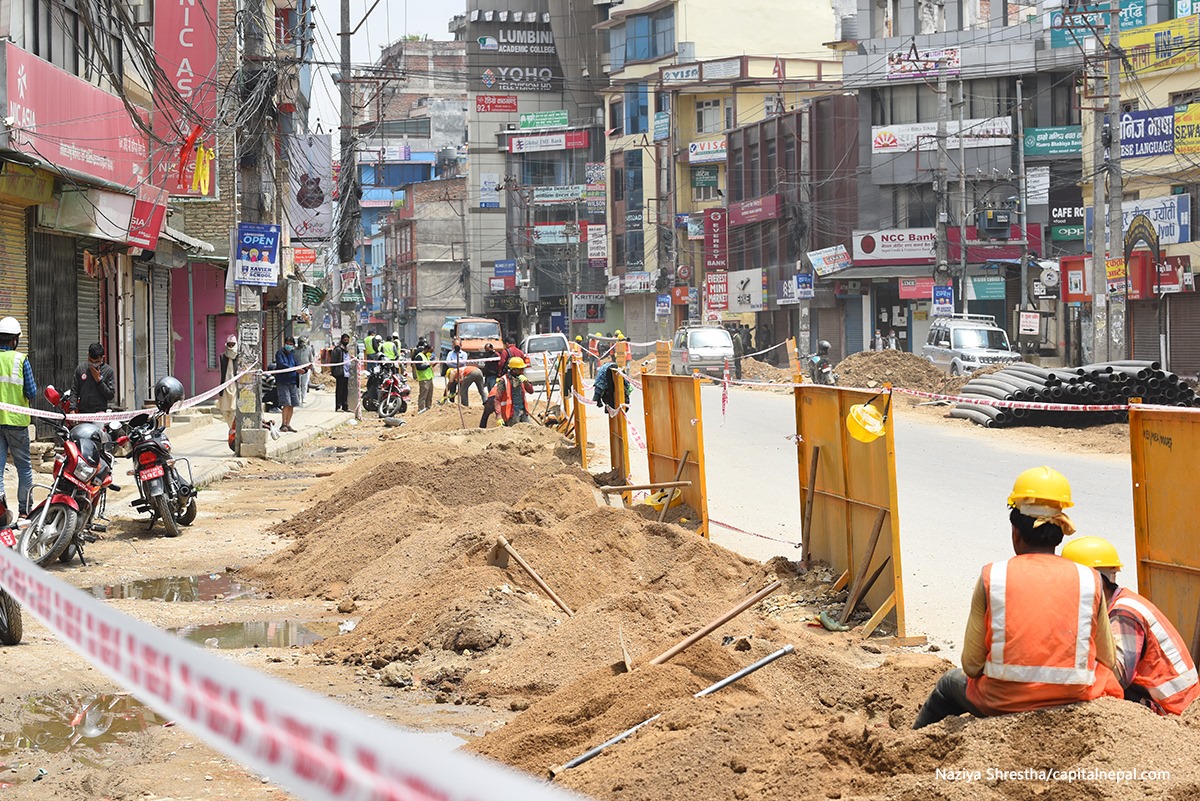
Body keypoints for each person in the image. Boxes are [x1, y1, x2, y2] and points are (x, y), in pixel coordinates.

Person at [913, 467, 1123, 729]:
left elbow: (971, 665)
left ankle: (912, 741)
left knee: (947, 684)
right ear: (1059, 533)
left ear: (1015, 531)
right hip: (1073, 698)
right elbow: (1108, 659)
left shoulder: (993, 576)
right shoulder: (1089, 578)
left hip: (1000, 702)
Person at [1062, 537, 1200, 716]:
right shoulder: (1117, 603)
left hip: (1171, 710)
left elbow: (1117, 677)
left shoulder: (1123, 614)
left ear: (1096, 582)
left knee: (1098, 693)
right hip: (1170, 702)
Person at [0, 316, 36, 516]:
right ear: (15, 340)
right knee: (24, 468)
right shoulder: (21, 360)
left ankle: (1, 514)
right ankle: (24, 512)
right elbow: (31, 392)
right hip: (16, 423)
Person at [72, 342, 115, 414]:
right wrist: (72, 408)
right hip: (84, 411)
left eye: (97, 361)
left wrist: (99, 381)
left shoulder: (108, 371)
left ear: (102, 358)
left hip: (100, 412)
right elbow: (74, 390)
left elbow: (110, 395)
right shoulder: (81, 369)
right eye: (91, 361)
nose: (93, 363)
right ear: (88, 355)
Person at [274, 336, 303, 431]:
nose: (289, 346)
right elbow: (282, 365)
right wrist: (294, 369)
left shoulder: (293, 354)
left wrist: (304, 369)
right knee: (286, 403)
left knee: (292, 404)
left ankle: (288, 424)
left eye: (291, 344)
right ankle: (283, 424)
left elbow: (298, 365)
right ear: (284, 344)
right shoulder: (279, 353)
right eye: (288, 344)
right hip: (283, 382)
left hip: (293, 382)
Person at [494, 357, 534, 425]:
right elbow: (497, 399)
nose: (522, 371)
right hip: (511, 413)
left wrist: (526, 382)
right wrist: (499, 416)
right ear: (513, 370)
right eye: (520, 369)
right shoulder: (504, 380)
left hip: (523, 411)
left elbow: (531, 391)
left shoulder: (522, 378)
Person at [218, 335, 239, 424]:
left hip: (235, 386)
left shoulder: (239, 356)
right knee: (224, 410)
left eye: (233, 345)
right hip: (225, 385)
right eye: (229, 345)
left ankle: (234, 431)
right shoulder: (222, 356)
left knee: (234, 410)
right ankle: (231, 428)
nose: (231, 347)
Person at [332, 333, 353, 412]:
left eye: (347, 340)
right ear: (342, 340)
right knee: (339, 390)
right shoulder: (338, 349)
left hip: (346, 373)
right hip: (340, 372)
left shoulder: (346, 349)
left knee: (345, 390)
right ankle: (338, 406)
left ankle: (345, 406)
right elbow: (333, 362)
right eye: (345, 339)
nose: (346, 341)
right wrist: (334, 371)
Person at [413, 340, 434, 412]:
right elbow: (419, 367)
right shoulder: (419, 356)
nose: (430, 353)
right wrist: (428, 365)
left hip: (429, 378)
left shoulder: (426, 356)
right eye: (430, 351)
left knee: (429, 395)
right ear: (426, 349)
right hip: (423, 379)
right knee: (423, 396)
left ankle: (428, 408)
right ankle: (421, 409)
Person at [295, 336, 314, 406]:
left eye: (303, 342)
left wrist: (311, 367)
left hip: (306, 369)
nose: (301, 343)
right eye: (300, 342)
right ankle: (298, 398)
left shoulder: (308, 349)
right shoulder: (295, 350)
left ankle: (304, 397)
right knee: (298, 385)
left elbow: (311, 359)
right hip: (298, 370)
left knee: (304, 384)